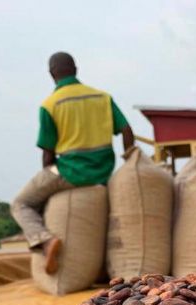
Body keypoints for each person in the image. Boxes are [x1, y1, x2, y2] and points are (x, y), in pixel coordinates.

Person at [12, 52, 134, 274]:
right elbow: (126, 130)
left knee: (21, 204)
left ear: (51, 74)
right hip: (103, 171)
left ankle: (45, 240)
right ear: (76, 69)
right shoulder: (102, 97)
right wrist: (129, 163)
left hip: (69, 173)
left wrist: (47, 182)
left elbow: (48, 155)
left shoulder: (50, 105)